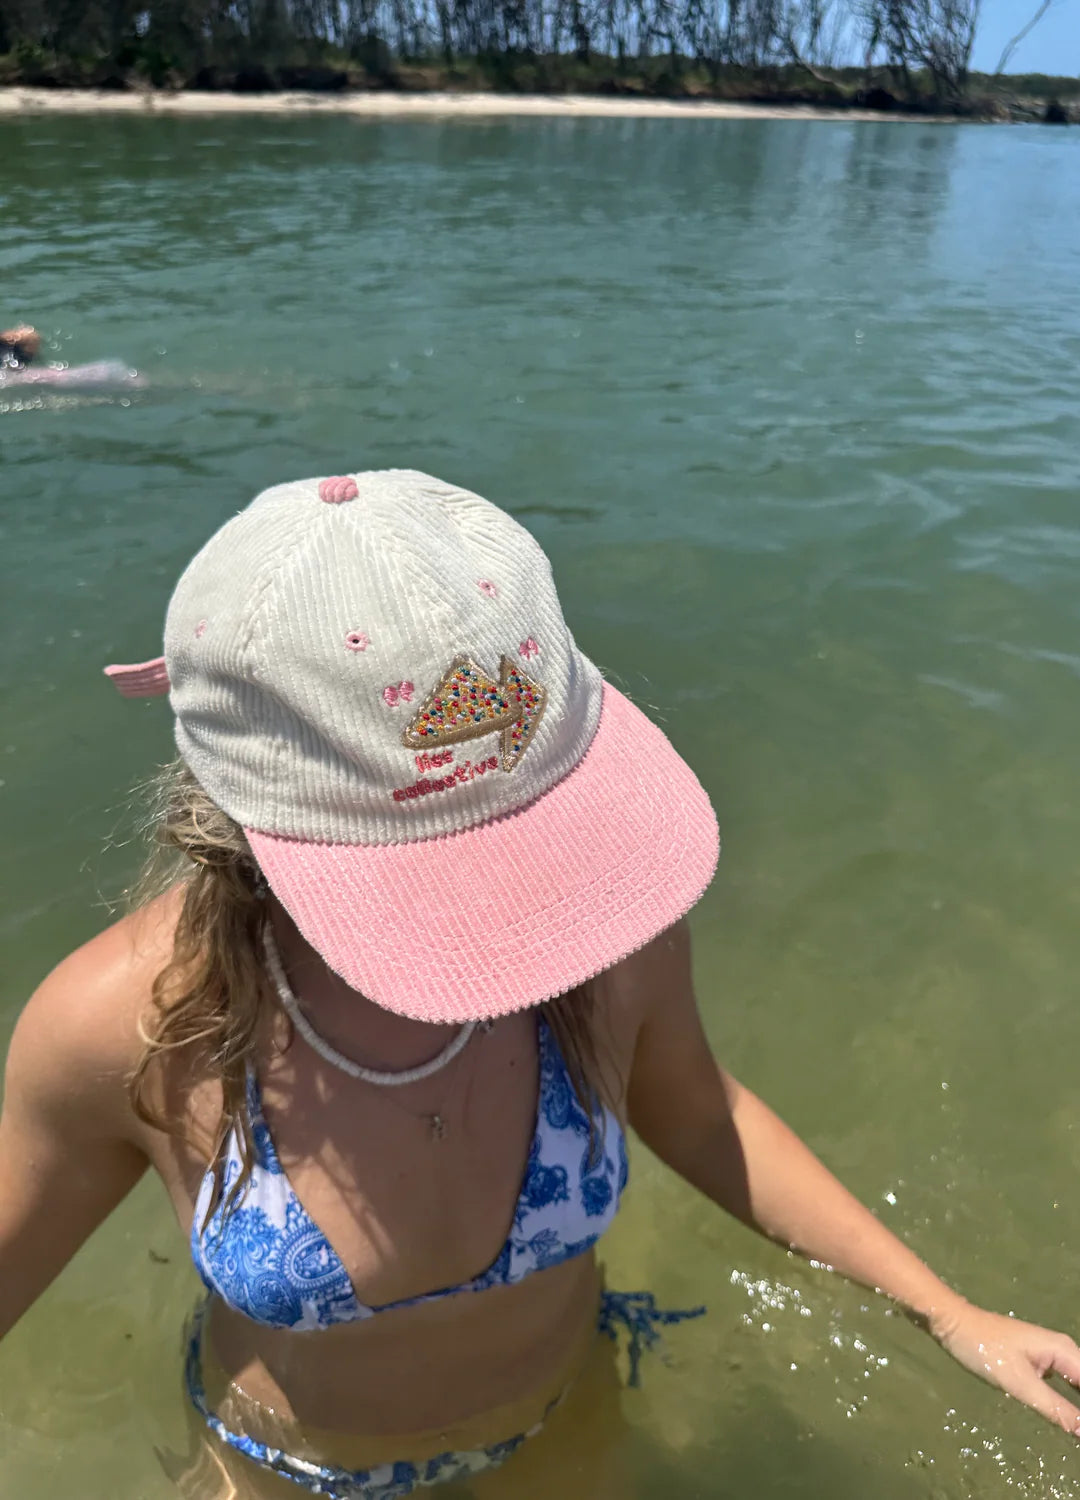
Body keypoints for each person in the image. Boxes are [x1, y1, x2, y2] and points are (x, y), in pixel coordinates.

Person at [1, 469, 1078, 1500]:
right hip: (280, 1467)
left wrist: (945, 1312)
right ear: (242, 815)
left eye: (517, 841)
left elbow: (703, 1113)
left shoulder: (599, 931)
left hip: (557, 1417)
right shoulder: (128, 1026)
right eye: (431, 866)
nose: (500, 914)